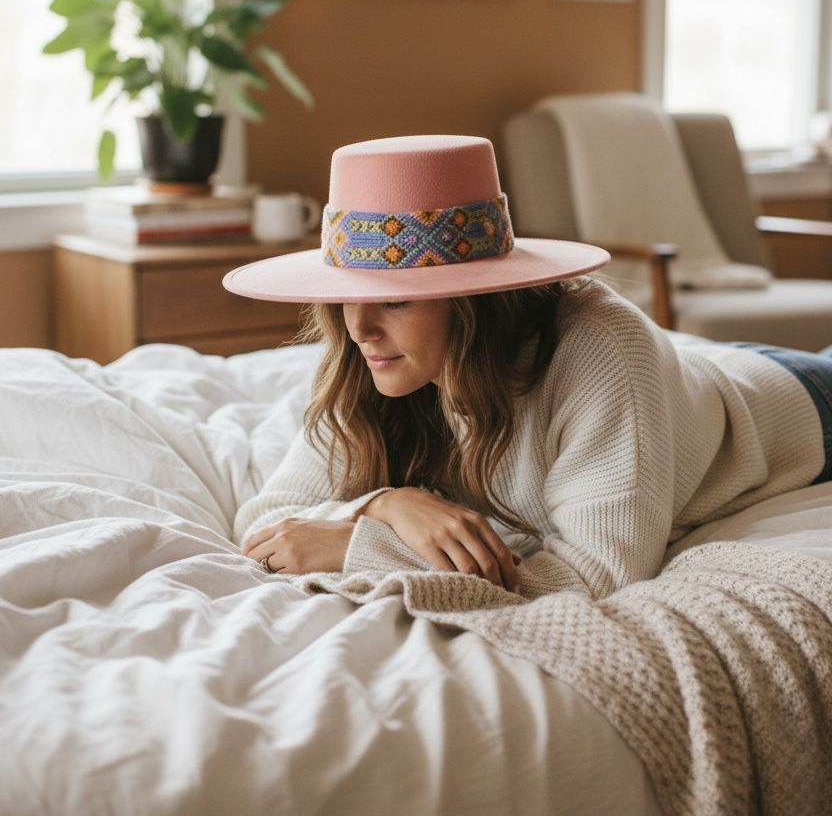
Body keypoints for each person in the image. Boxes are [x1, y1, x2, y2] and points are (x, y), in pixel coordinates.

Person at [223, 134, 830, 601]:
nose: (358, 329)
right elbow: (265, 526)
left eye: (396, 298)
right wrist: (385, 505)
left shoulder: (599, 350)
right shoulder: (371, 354)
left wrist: (363, 547)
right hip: (699, 372)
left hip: (798, 406)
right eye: (347, 295)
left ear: (474, 298)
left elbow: (596, 576)